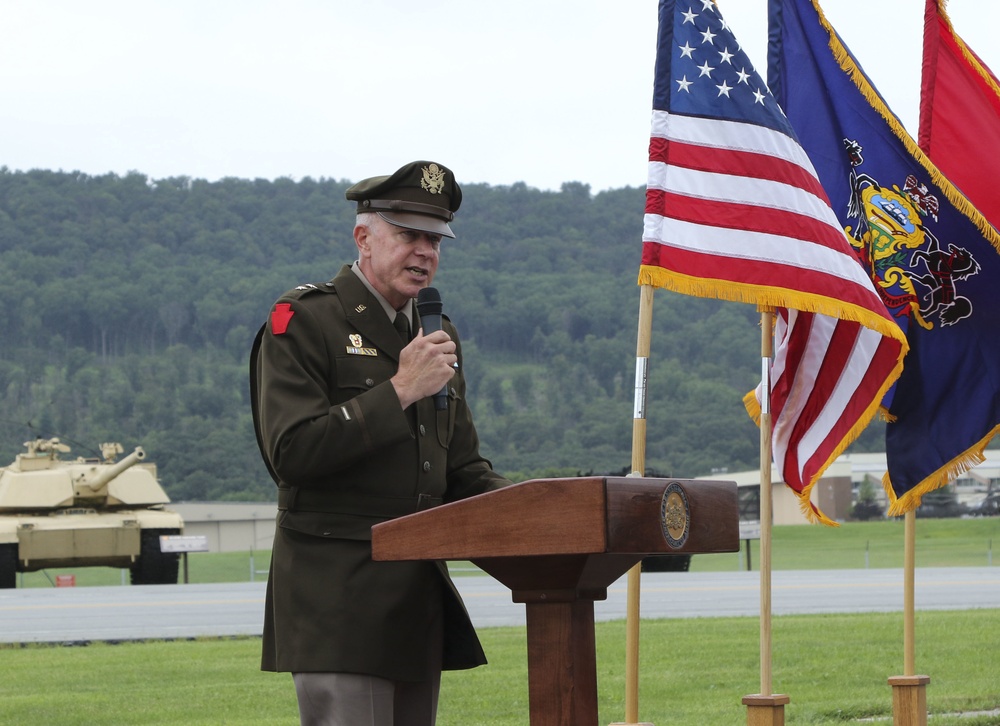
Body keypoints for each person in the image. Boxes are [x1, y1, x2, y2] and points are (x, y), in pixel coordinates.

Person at [249, 160, 511, 726]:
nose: (425, 252)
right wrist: (398, 391)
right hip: (338, 603)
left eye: (435, 239)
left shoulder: (434, 334)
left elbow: (462, 469)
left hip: (415, 604)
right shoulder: (302, 320)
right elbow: (292, 454)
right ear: (363, 238)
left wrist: (540, 512)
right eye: (409, 235)